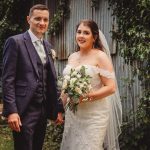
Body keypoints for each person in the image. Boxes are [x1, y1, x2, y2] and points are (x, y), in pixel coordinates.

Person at [2, 4, 63, 150]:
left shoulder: (48, 46)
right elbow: (7, 79)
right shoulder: (15, 42)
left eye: (45, 20)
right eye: (37, 19)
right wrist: (12, 111)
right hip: (23, 110)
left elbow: (51, 80)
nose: (42, 23)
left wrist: (57, 108)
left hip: (42, 109)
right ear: (28, 19)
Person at [60, 19, 122, 150]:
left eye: (86, 33)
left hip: (95, 115)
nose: (81, 36)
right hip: (74, 114)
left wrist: (87, 96)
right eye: (79, 32)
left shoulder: (100, 56)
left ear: (94, 37)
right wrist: (59, 110)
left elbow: (111, 88)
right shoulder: (72, 57)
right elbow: (66, 88)